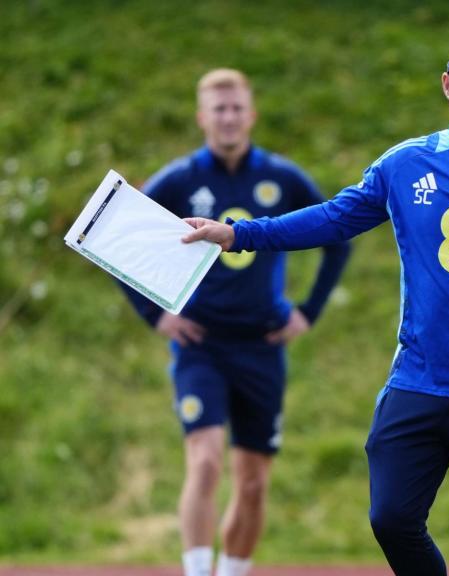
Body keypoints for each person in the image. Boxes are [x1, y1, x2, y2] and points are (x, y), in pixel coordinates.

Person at [180, 38, 449, 575]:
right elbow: (333, 217)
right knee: (391, 518)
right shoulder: (405, 163)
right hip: (418, 379)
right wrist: (238, 234)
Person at [120, 68, 351, 576]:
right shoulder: (180, 179)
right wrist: (153, 313)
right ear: (203, 117)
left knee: (252, 482)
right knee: (204, 462)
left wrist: (307, 312)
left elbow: (338, 234)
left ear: (252, 114)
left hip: (263, 345)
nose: (228, 117)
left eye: (237, 108)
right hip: (201, 343)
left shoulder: (282, 178)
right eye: (218, 109)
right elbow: (122, 235)